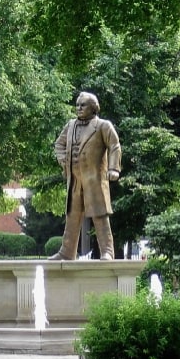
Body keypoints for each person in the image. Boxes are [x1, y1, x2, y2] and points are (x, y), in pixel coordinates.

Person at [48, 92, 122, 261]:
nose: (79, 108)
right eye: (77, 105)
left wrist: (114, 169)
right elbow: (59, 144)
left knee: (100, 215)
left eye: (83, 105)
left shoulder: (103, 126)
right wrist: (63, 160)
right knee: (72, 217)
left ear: (93, 108)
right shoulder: (71, 125)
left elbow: (115, 146)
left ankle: (107, 251)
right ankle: (67, 252)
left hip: (94, 179)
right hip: (74, 179)